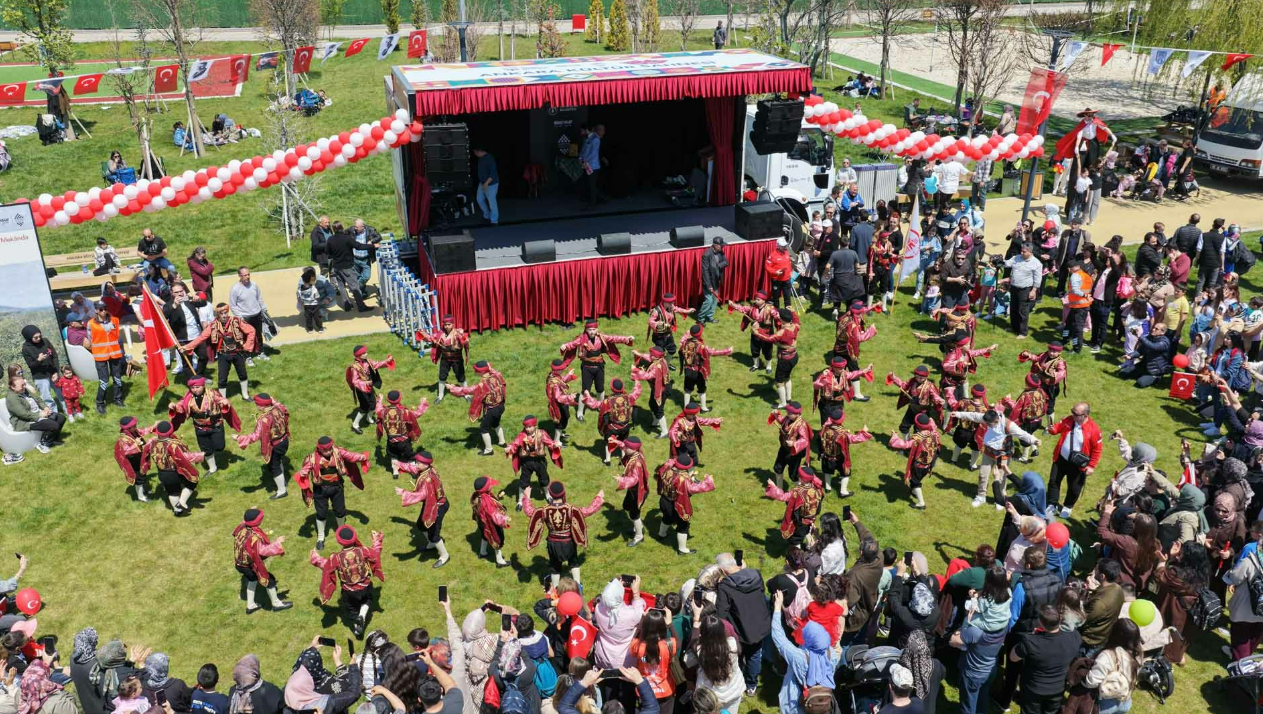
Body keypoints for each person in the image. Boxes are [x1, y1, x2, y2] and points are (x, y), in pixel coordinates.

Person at [294, 436, 371, 550]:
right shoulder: (312, 458)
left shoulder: (338, 452)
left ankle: (342, 531)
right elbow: (305, 470)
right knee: (321, 513)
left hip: (337, 487)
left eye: (330, 449)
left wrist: (363, 457)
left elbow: (351, 456)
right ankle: (320, 538)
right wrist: (302, 473)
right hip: (320, 490)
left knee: (340, 511)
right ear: (319, 449)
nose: (328, 451)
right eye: (325, 450)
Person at [522, 481, 603, 587]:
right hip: (569, 542)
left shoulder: (544, 510)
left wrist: (527, 497)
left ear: (550, 494)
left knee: (555, 567)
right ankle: (578, 586)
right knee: (574, 562)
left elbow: (530, 511)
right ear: (563, 493)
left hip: (553, 544)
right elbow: (588, 510)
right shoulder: (571, 509)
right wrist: (598, 498)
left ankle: (555, 590)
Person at [310, 525, 385, 638]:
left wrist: (315, 558)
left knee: (351, 609)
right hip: (365, 586)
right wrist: (376, 540)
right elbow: (375, 553)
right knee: (368, 599)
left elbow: (326, 566)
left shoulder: (336, 558)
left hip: (349, 591)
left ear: (339, 541)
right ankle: (362, 615)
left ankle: (358, 630)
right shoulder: (363, 550)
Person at [714, 553, 771, 698]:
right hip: (759, 625)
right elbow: (761, 592)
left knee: (738, 656)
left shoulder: (725, 586)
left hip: (738, 630)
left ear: (722, 570)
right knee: (754, 655)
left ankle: (739, 682)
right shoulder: (755, 574)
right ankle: (751, 685)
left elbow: (721, 613)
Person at [769, 594, 837, 713]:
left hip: (795, 702)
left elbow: (778, 637)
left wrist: (777, 608)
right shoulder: (831, 653)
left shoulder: (799, 657)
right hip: (821, 699)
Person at [1008, 605, 1080, 714]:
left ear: (1040, 623)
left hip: (1033, 689)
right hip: (1057, 688)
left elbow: (1013, 657)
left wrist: (1032, 636)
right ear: (1060, 619)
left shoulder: (1031, 641)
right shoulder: (1074, 636)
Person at [559, 320, 634, 422]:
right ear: (586, 330)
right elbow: (572, 344)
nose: (592, 332)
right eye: (589, 329)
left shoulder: (601, 337)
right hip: (587, 369)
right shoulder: (581, 338)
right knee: (585, 391)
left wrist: (627, 339)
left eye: (594, 329)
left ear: (597, 329)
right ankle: (580, 412)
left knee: (600, 389)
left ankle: (601, 407)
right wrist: (565, 346)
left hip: (599, 367)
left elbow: (614, 338)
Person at [181, 303, 257, 400]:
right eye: (222, 313)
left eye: (225, 313)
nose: (224, 315)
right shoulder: (213, 325)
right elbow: (201, 337)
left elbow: (251, 330)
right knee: (222, 378)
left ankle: (245, 395)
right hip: (223, 355)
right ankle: (222, 399)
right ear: (218, 314)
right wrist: (187, 347)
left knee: (243, 374)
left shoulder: (236, 321)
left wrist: (247, 345)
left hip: (238, 353)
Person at [169, 376, 241, 474]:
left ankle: (215, 446)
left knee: (219, 447)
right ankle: (212, 468)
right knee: (206, 450)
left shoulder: (212, 393)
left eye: (197, 387)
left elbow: (221, 400)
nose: (195, 390)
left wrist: (224, 402)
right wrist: (174, 407)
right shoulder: (188, 397)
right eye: (192, 388)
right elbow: (181, 406)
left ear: (203, 385)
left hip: (215, 426)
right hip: (200, 428)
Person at [1046, 402, 1103, 519]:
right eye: (1072, 411)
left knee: (1074, 487)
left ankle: (1068, 506)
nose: (1072, 415)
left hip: (1078, 465)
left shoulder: (1094, 430)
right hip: (1061, 459)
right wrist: (1052, 429)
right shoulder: (1068, 420)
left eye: (1075, 413)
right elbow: (1057, 429)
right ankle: (1052, 504)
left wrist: (1091, 466)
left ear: (1085, 415)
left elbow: (1097, 450)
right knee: (1053, 481)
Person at [396, 451, 451, 568]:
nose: (415, 465)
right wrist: (399, 464)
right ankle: (432, 544)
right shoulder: (427, 469)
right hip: (430, 503)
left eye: (418, 463)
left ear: (425, 465)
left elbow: (421, 495)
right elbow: (412, 468)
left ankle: (444, 555)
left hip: (437, 507)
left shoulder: (428, 479)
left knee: (433, 533)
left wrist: (403, 493)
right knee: (421, 525)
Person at [232, 509, 292, 614]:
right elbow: (263, 551)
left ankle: (250, 606)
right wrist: (277, 543)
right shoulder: (254, 537)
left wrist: (249, 513)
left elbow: (243, 522)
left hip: (239, 564)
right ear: (256, 522)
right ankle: (276, 604)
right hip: (250, 566)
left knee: (252, 580)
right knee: (269, 580)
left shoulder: (242, 527)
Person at [140, 420, 204, 517]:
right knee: (192, 482)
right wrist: (199, 457)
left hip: (162, 473)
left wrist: (144, 469)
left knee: (172, 492)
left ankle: (177, 511)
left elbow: (144, 456)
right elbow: (182, 458)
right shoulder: (172, 445)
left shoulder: (151, 442)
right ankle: (182, 502)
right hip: (175, 472)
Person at [235, 393, 292, 499]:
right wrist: (272, 400)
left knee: (274, 467)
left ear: (262, 406)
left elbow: (255, 436)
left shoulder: (264, 419)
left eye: (257, 404)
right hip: (284, 440)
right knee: (278, 461)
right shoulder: (278, 408)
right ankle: (283, 482)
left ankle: (282, 491)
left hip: (275, 445)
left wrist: (239, 438)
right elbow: (283, 407)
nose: (256, 405)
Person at [656, 452, 715, 555]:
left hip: (664, 500)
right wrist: (707, 482)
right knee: (683, 526)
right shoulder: (682, 478)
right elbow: (692, 488)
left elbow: (661, 472)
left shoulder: (667, 468)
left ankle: (661, 534)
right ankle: (682, 549)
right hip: (676, 505)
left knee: (667, 518)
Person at [449, 361, 508, 456]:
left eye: (477, 371)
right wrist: (489, 367)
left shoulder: (482, 385)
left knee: (484, 429)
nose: (475, 372)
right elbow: (492, 370)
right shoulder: (497, 375)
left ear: (481, 372)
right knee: (496, 424)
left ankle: (489, 450)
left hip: (491, 409)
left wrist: (453, 388)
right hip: (501, 406)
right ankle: (502, 442)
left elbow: (467, 390)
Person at [1083, 619, 1142, 714]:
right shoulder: (1138, 655)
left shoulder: (1107, 656)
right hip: (1125, 701)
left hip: (1105, 704)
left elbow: (1091, 682)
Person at [6, 370, 66, 454]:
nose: (24, 386)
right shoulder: (12, 398)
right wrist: (40, 415)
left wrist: (45, 408)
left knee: (61, 418)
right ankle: (43, 443)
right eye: (22, 385)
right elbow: (23, 414)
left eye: (24, 384)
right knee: (54, 425)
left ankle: (52, 439)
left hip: (36, 414)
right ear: (13, 387)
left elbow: (38, 399)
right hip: (24, 421)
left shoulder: (23, 390)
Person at [764, 466, 824, 547]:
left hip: (800, 521)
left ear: (801, 479)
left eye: (799, 476)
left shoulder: (797, 492)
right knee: (807, 531)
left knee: (796, 539)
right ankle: (810, 547)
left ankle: (796, 553)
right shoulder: (817, 487)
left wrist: (773, 487)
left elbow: (783, 496)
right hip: (812, 517)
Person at [677, 324, 732, 413]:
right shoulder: (701, 346)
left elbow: (681, 341)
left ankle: (686, 408)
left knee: (687, 390)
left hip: (687, 370)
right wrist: (727, 351)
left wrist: (687, 333)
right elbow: (713, 352)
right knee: (701, 389)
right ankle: (703, 408)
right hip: (698, 372)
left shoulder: (684, 343)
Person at [754, 309, 800, 409]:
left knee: (779, 381)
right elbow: (797, 321)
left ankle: (783, 404)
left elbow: (769, 338)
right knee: (787, 377)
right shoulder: (795, 326)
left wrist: (756, 332)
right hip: (794, 357)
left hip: (785, 360)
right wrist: (793, 312)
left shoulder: (782, 332)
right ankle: (788, 399)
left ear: (782, 320)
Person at [419, 314, 471, 403]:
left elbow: (465, 341)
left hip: (457, 360)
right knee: (442, 377)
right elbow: (430, 338)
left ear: (453, 324)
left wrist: (463, 338)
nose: (447, 326)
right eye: (445, 324)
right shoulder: (440, 334)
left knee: (461, 377)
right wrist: (423, 333)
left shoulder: (458, 333)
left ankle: (467, 394)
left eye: (449, 324)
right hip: (445, 359)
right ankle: (440, 396)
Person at [608, 435, 649, 546]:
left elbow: (634, 479)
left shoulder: (636, 463)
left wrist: (621, 479)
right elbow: (624, 445)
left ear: (634, 449)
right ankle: (637, 526)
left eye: (627, 447)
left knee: (634, 514)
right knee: (626, 506)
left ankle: (639, 536)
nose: (624, 448)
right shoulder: (635, 452)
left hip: (639, 492)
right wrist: (616, 441)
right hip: (634, 490)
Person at [346, 345, 395, 435]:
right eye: (364, 353)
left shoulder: (367, 361)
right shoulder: (354, 367)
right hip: (361, 390)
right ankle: (355, 425)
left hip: (369, 387)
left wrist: (387, 361)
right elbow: (355, 381)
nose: (366, 354)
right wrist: (366, 383)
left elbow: (376, 364)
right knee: (364, 408)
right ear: (359, 356)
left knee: (373, 404)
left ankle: (368, 418)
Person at [728, 292, 780, 374]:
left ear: (764, 300)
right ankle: (756, 365)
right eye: (755, 299)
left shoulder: (771, 309)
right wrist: (733, 305)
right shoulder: (752, 307)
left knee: (767, 350)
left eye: (758, 299)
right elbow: (742, 308)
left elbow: (778, 318)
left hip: (767, 333)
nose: (756, 301)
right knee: (754, 349)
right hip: (755, 332)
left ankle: (768, 366)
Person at [165, 283, 208, 376]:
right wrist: (174, 306)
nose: (180, 294)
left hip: (197, 336)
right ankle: (191, 381)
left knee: (204, 356)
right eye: (176, 292)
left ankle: (199, 375)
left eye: (181, 291)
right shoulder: (168, 304)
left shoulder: (188, 299)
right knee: (187, 362)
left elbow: (204, 303)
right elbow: (164, 315)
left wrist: (199, 299)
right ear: (171, 293)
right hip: (182, 339)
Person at [327, 222, 372, 312]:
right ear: (342, 228)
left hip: (337, 267)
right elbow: (359, 246)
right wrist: (372, 246)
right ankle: (361, 306)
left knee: (341, 286)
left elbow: (328, 252)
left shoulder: (330, 239)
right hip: (347, 267)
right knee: (354, 286)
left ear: (333, 230)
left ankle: (347, 305)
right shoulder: (347, 238)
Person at [228, 267, 269, 365]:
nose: (247, 277)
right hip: (245, 317)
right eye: (245, 275)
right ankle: (248, 357)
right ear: (239, 276)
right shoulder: (235, 289)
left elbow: (259, 298)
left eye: (248, 274)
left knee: (258, 335)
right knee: (246, 338)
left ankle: (261, 352)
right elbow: (233, 305)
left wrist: (263, 309)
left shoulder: (254, 285)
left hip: (257, 314)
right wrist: (240, 317)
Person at [767, 402, 811, 490]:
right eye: (787, 412)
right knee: (778, 468)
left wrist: (794, 444)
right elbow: (782, 422)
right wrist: (776, 415)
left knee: (793, 475)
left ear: (797, 414)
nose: (787, 414)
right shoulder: (788, 418)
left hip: (794, 453)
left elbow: (805, 440)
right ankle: (779, 490)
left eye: (790, 413)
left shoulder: (801, 425)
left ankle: (803, 491)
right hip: (784, 448)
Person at [470, 475, 511, 567]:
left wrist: (498, 498)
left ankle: (482, 552)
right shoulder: (486, 500)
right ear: (485, 488)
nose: (491, 486)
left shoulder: (479, 496)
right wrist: (504, 518)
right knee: (497, 539)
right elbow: (494, 514)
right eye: (490, 485)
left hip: (482, 522)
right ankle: (500, 561)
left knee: (485, 535)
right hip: (490, 523)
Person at [20, 325, 61, 414]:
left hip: (52, 372)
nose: (39, 338)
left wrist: (56, 372)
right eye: (36, 337)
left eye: (40, 336)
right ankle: (54, 414)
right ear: (29, 337)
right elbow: (31, 365)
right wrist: (39, 360)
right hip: (40, 377)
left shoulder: (45, 341)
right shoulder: (26, 348)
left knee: (61, 393)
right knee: (47, 398)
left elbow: (54, 356)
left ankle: (69, 411)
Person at [1004, 243, 1041, 339]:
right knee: (1013, 308)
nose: (1021, 253)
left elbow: (1038, 279)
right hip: (1014, 287)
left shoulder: (1036, 263)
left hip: (1025, 289)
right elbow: (1007, 263)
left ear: (1030, 252)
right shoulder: (1016, 258)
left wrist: (1033, 291)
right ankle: (1014, 327)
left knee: (1022, 311)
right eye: (1021, 250)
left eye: (1024, 251)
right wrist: (999, 261)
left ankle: (1023, 332)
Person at [646, 293, 693, 367]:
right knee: (660, 352)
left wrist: (688, 311)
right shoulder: (656, 311)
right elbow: (650, 321)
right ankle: (658, 367)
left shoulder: (671, 307)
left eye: (673, 302)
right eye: (670, 302)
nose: (672, 304)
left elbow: (678, 309)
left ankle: (666, 364)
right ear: (664, 302)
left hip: (668, 334)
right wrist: (660, 324)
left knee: (672, 350)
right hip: (659, 336)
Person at [114, 416, 154, 502]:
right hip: (133, 462)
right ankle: (141, 497)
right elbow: (126, 452)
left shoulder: (132, 431)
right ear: (128, 428)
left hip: (139, 459)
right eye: (134, 426)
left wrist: (154, 427)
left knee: (143, 474)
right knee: (139, 479)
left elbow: (142, 431)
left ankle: (144, 490)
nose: (136, 427)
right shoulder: (123, 439)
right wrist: (136, 444)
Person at [697, 238, 727, 324]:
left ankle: (710, 317)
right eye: (721, 246)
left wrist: (719, 265)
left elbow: (726, 262)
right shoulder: (706, 255)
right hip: (709, 283)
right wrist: (709, 285)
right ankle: (700, 319)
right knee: (709, 300)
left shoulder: (721, 252)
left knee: (715, 300)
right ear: (715, 245)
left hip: (716, 281)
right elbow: (705, 272)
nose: (723, 247)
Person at [579, 124, 607, 207]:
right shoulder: (587, 138)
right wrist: (580, 158)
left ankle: (593, 204)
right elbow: (584, 150)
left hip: (593, 166)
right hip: (587, 165)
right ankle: (596, 200)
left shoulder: (595, 139)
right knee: (588, 184)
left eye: (582, 131)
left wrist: (584, 160)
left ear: (586, 129)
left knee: (592, 185)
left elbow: (593, 154)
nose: (581, 133)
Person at [350, 219, 382, 291]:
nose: (355, 228)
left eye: (357, 227)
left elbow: (379, 237)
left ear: (362, 226)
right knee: (358, 276)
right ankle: (362, 292)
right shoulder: (352, 229)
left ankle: (357, 287)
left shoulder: (371, 230)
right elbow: (344, 235)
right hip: (355, 258)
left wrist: (372, 241)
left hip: (365, 259)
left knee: (366, 276)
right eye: (355, 226)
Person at [471, 148, 499, 225]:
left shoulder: (490, 158)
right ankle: (487, 215)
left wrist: (486, 184)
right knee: (479, 199)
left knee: (492, 202)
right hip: (482, 183)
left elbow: (493, 174)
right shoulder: (480, 159)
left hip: (491, 184)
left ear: (479, 151)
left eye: (475, 152)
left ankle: (494, 221)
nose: (474, 154)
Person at [764, 239, 793, 309]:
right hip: (777, 280)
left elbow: (789, 263)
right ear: (778, 246)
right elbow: (767, 266)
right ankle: (776, 311)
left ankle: (788, 312)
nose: (784, 247)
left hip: (787, 279)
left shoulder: (787, 252)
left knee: (787, 297)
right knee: (776, 297)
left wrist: (791, 271)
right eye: (783, 246)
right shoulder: (772, 255)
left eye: (785, 245)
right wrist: (775, 272)